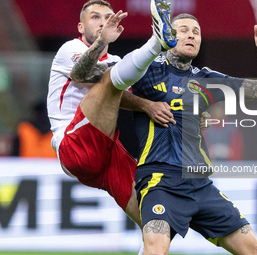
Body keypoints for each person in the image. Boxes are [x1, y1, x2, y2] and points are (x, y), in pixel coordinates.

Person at [132, 12, 257, 255]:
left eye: (196, 31)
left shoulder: (206, 78)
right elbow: (107, 86)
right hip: (161, 181)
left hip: (199, 184)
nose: (191, 34)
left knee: (256, 251)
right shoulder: (147, 68)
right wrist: (145, 105)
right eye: (183, 30)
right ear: (168, 35)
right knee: (155, 251)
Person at [47, 0, 178, 229]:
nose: (102, 22)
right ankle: (156, 43)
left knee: (156, 223)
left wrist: (155, 106)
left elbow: (121, 95)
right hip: (72, 144)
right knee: (110, 77)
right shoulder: (70, 49)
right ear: (80, 26)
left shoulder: (116, 64)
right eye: (95, 17)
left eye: (107, 17)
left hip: (106, 150)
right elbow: (85, 75)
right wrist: (102, 41)